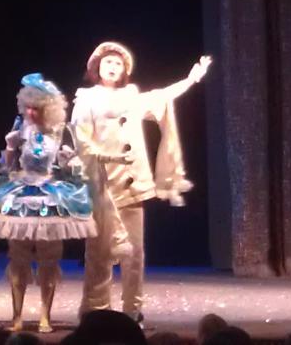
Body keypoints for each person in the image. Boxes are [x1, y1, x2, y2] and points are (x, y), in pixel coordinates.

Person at [73, 41, 211, 324]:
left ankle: (132, 310)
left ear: (125, 70)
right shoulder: (87, 99)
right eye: (107, 62)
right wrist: (103, 159)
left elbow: (163, 96)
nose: (112, 67)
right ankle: (96, 310)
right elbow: (81, 138)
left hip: (132, 183)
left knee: (134, 253)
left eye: (118, 63)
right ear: (97, 67)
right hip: (102, 184)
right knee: (99, 252)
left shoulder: (133, 97)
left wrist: (191, 79)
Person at [0, 73, 97, 332]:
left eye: (37, 108)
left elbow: (74, 171)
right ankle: (17, 316)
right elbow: (6, 168)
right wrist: (10, 148)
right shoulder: (21, 127)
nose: (31, 112)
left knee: (48, 259)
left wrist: (69, 162)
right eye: (28, 107)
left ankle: (45, 316)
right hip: (21, 191)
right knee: (17, 257)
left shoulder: (62, 131)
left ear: (49, 108)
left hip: (51, 193)